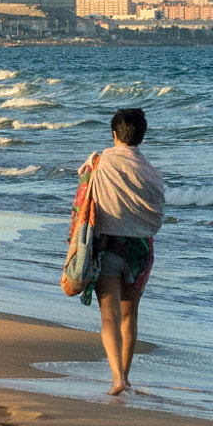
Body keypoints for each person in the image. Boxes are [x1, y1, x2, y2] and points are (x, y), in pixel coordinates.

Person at [84, 107, 165, 395]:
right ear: (141, 137)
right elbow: (157, 211)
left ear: (114, 134)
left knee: (110, 316)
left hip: (110, 247)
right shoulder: (151, 172)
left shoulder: (102, 162)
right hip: (142, 250)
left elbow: (85, 194)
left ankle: (117, 379)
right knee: (131, 316)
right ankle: (127, 378)